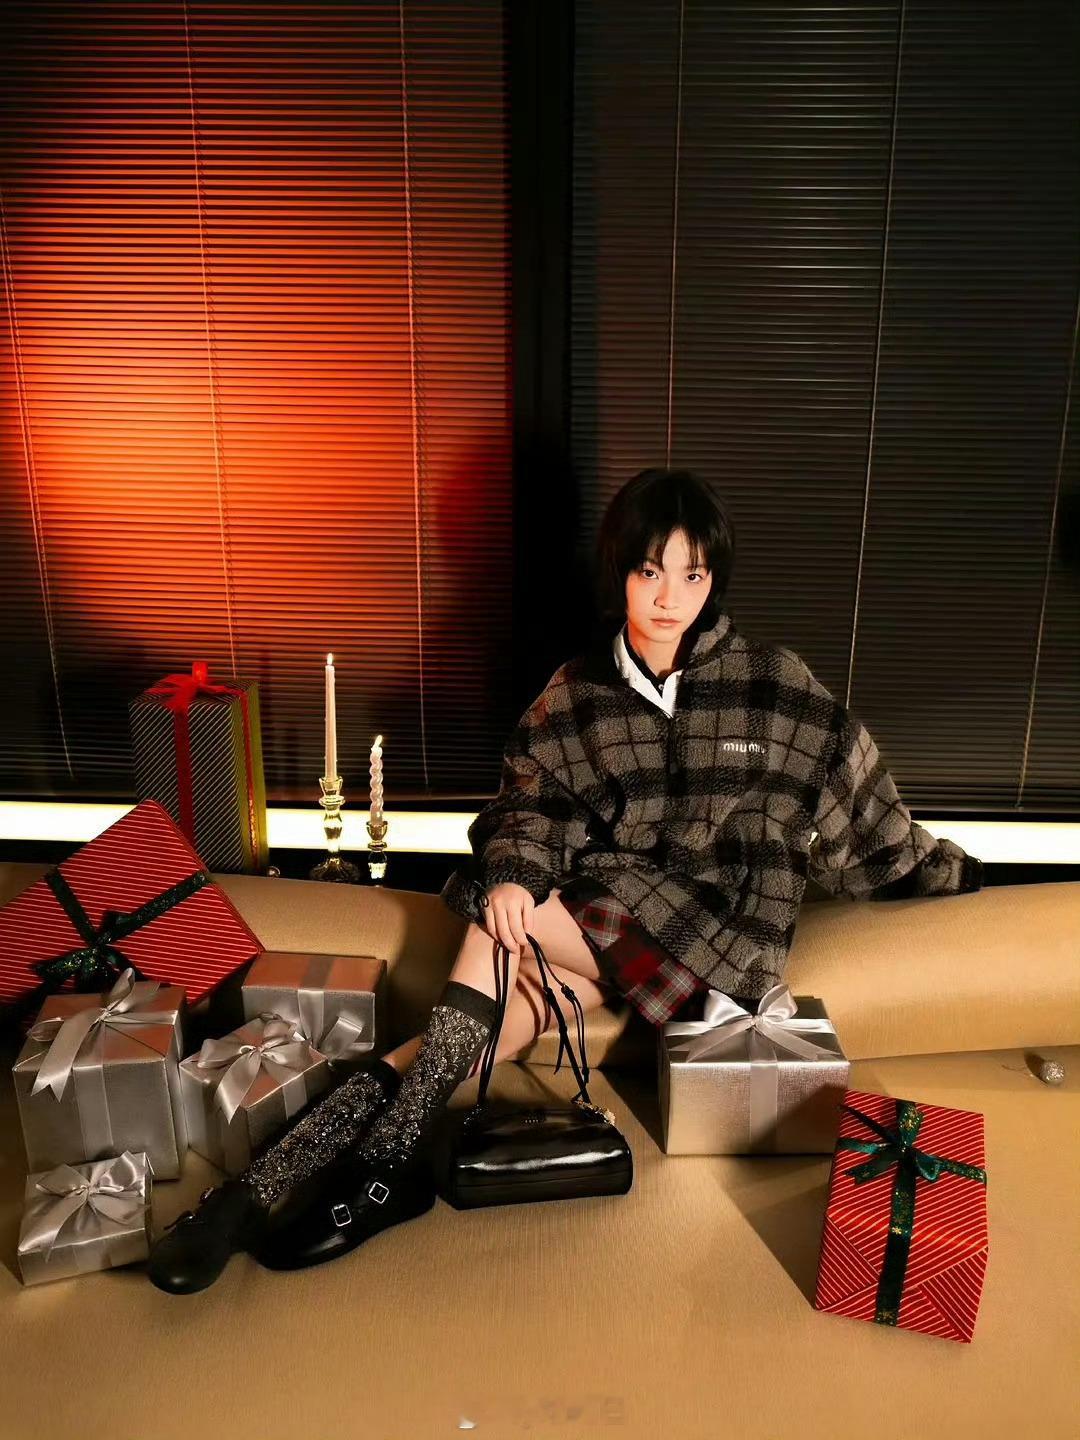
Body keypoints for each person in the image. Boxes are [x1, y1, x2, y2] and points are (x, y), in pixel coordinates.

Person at [147, 467, 983, 1293]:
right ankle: (265, 1191)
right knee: (483, 1025)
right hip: (609, 942)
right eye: (650, 571)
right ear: (621, 571)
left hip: (719, 945)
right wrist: (517, 871)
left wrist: (945, 872)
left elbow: (858, 796)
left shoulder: (772, 685)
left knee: (492, 921)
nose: (671, 597)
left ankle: (369, 1170)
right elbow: (531, 802)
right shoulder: (577, 693)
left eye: (693, 575)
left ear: (713, 581)